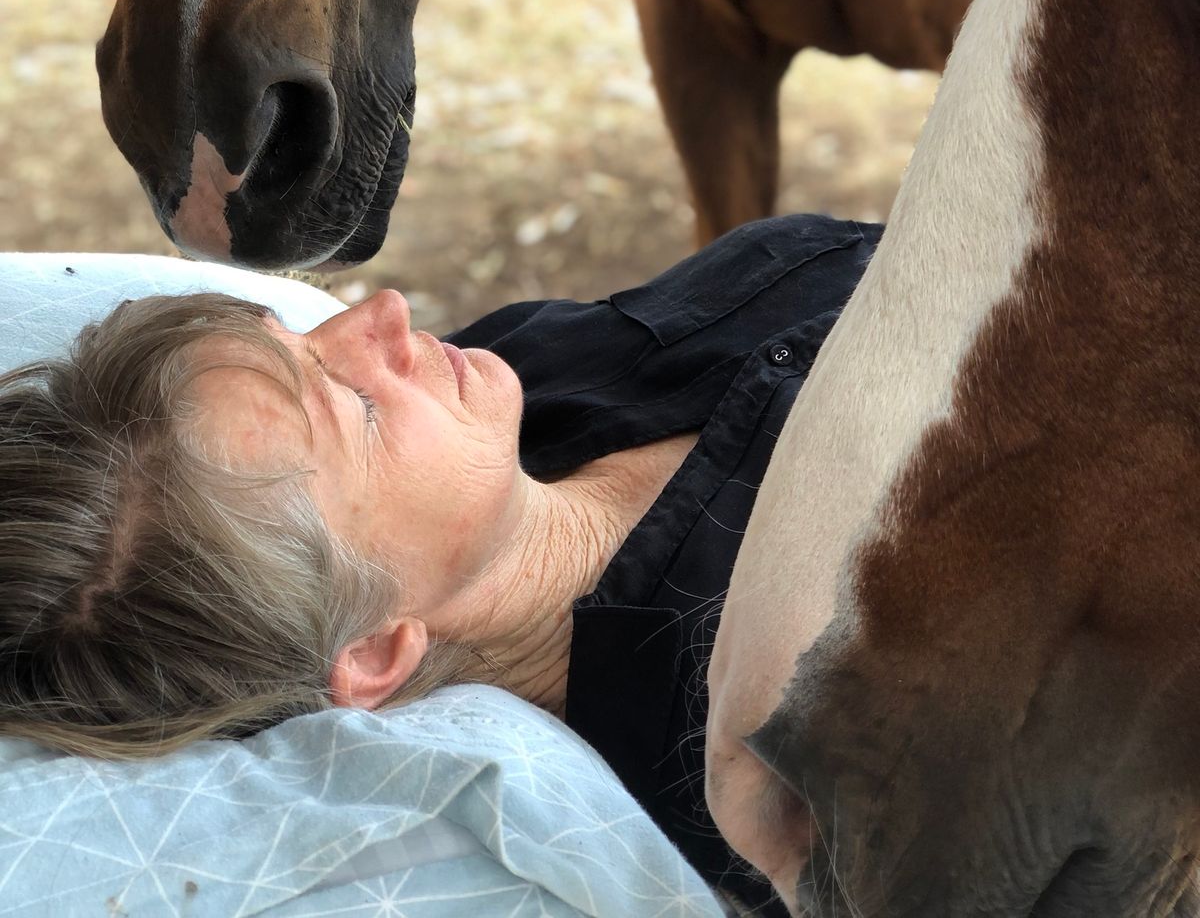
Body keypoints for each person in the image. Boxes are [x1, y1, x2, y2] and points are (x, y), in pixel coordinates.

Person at [0, 213, 880, 915]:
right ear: (380, 651)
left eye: (302, 339)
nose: (380, 315)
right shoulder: (776, 716)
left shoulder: (519, 380)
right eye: (355, 406)